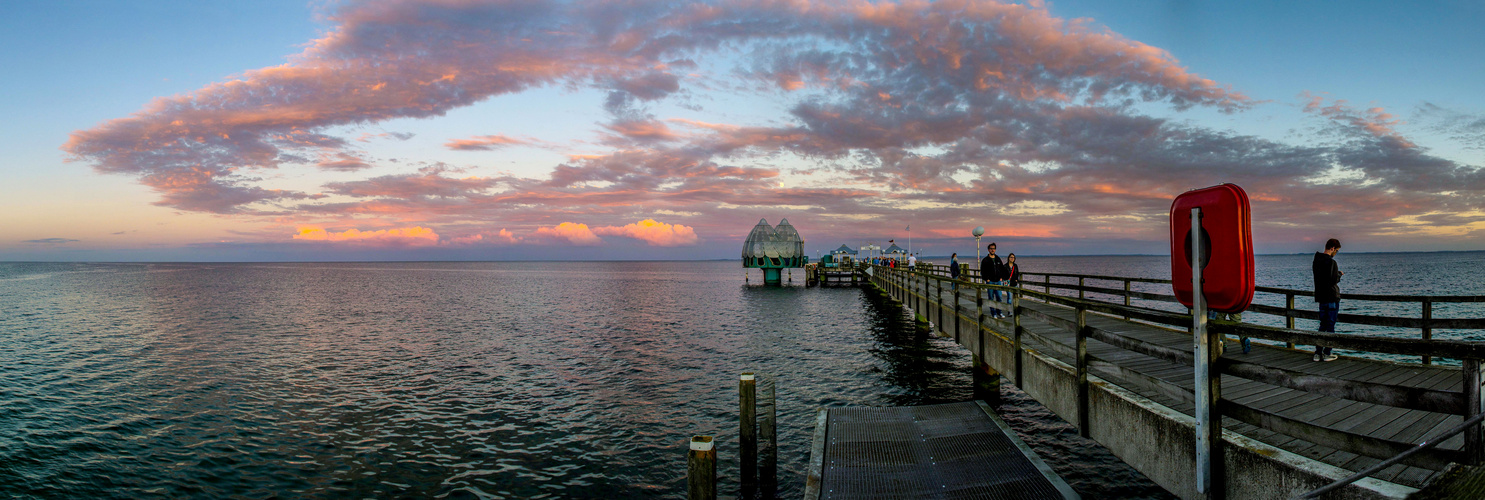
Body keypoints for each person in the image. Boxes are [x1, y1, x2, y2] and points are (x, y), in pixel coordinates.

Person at [1312, 238, 1344, 362]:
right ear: (1332, 248)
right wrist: (1339, 275)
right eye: (1336, 250)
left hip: (1321, 297)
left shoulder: (1317, 260)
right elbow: (1332, 280)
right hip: (1331, 297)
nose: (1336, 253)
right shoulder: (1332, 263)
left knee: (1322, 325)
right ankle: (1327, 353)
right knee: (1330, 326)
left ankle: (1317, 353)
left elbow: (1322, 278)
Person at [981, 242, 1008, 318]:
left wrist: (1002, 277)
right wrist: (986, 279)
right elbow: (983, 271)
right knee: (991, 298)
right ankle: (994, 313)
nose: (992, 250)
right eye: (991, 249)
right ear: (988, 250)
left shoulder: (998, 259)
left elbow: (1002, 268)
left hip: (998, 281)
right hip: (990, 281)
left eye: (994, 249)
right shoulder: (985, 260)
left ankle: (1000, 312)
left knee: (999, 297)